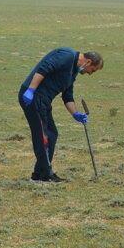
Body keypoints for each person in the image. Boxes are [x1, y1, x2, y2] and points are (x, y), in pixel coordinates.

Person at [18, 48, 103, 182]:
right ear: (88, 62)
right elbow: (43, 69)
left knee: (51, 134)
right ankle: (45, 175)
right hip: (33, 97)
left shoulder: (73, 71)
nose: (89, 74)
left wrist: (76, 114)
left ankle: (40, 174)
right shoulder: (67, 56)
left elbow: (67, 96)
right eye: (92, 70)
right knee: (43, 136)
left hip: (44, 101)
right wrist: (30, 90)